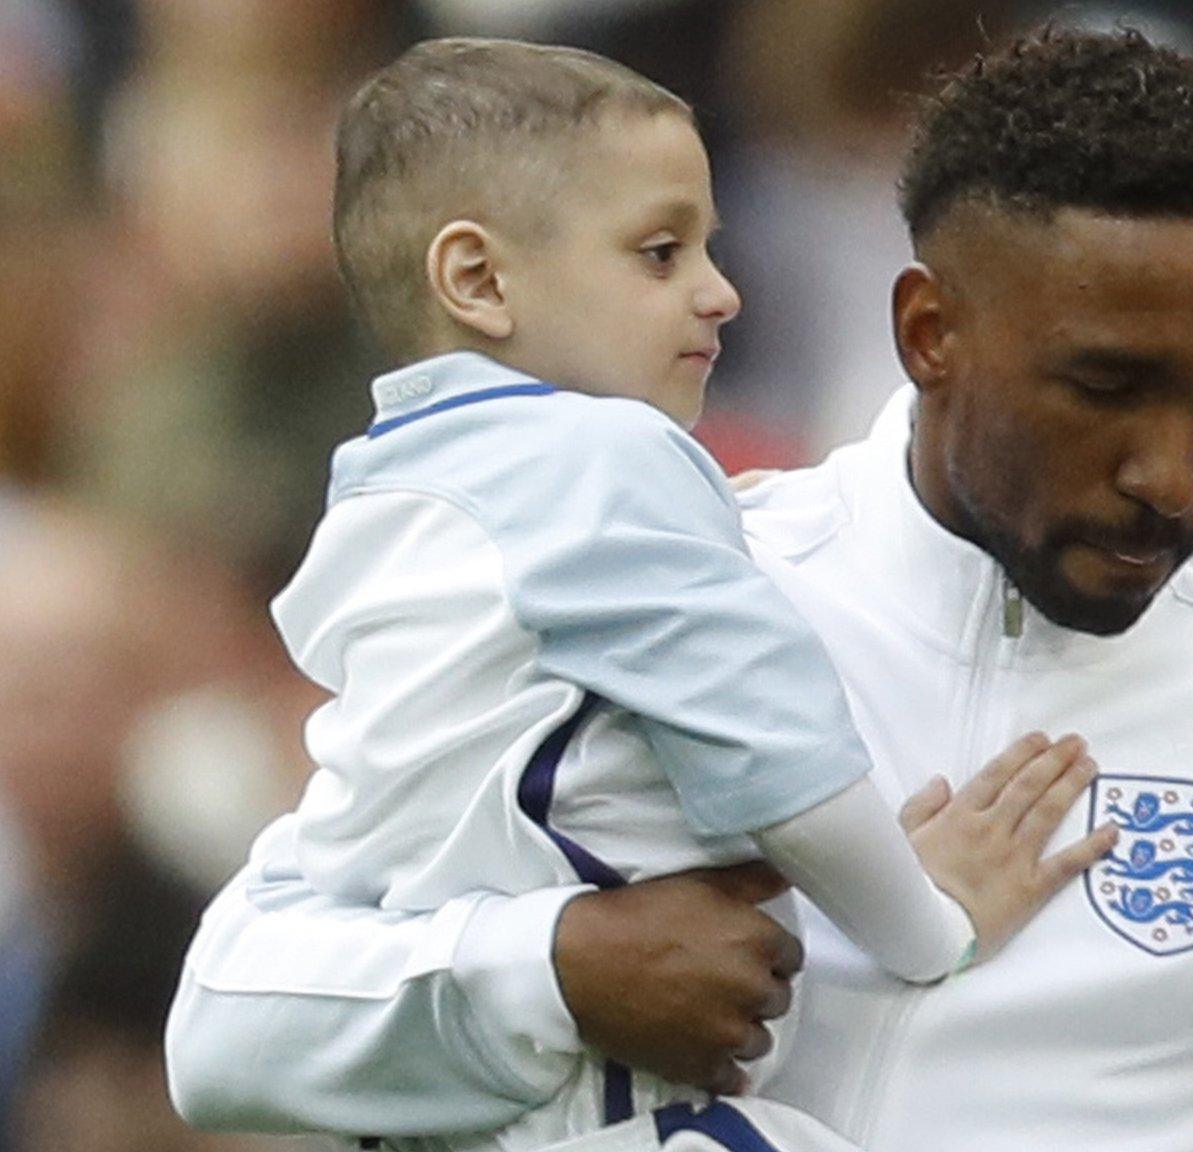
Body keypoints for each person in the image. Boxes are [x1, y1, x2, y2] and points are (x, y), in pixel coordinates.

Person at [165, 28, 1193, 1152]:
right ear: (928, 330)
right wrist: (556, 968)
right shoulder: (644, 588)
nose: (1172, 469)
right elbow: (229, 1026)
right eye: (1108, 386)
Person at [170, 37, 1112, 1152]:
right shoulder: (606, 458)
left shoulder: (388, 491)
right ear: (477, 280)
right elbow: (778, 756)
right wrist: (926, 923)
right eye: (660, 253)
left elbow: (277, 953)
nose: (721, 292)